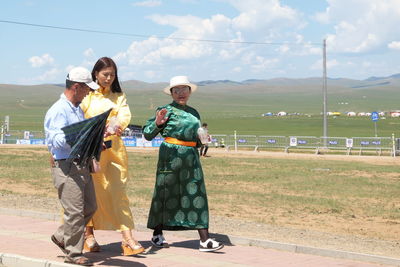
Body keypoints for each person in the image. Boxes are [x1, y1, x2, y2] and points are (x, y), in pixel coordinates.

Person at [143, 75, 224, 252]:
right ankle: (157, 233)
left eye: (184, 89)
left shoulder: (194, 112)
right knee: (165, 193)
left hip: (191, 158)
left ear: (189, 92)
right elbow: (147, 134)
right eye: (176, 90)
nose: (181, 93)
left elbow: (196, 140)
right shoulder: (164, 110)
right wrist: (157, 123)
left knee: (196, 192)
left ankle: (205, 240)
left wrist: (203, 140)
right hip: (170, 155)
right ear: (171, 93)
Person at [80, 57, 144, 255]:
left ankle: (127, 238)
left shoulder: (118, 95)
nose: (108, 78)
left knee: (118, 192)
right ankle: (88, 236)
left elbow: (124, 115)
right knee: (88, 193)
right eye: (105, 74)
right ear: (95, 74)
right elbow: (79, 116)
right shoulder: (87, 95)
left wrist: (116, 126)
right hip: (91, 151)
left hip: (114, 152)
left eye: (112, 75)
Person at [45, 67, 99, 266]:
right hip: (67, 166)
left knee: (91, 206)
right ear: (76, 87)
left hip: (81, 164)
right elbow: (57, 139)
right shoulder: (59, 110)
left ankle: (62, 236)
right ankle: (74, 254)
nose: (88, 93)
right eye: (87, 89)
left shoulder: (77, 109)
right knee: (74, 212)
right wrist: (82, 136)